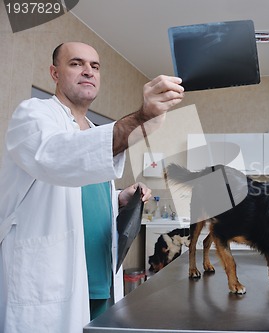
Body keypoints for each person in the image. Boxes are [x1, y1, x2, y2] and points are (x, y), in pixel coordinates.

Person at [0, 42, 184, 333]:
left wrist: (118, 198)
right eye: (76, 63)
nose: (88, 71)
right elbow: (58, 157)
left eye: (95, 66)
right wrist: (140, 118)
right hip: (52, 280)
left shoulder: (93, 129)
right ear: (55, 73)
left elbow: (80, 193)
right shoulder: (33, 115)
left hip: (99, 278)